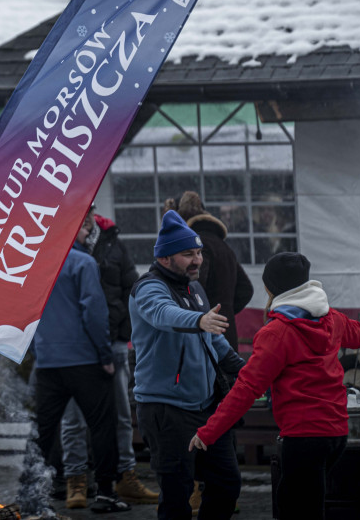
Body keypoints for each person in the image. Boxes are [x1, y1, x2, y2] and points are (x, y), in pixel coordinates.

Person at [190, 252, 360, 520]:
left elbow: (246, 389)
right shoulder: (331, 318)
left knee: (297, 511)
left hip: (304, 437)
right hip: (337, 433)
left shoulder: (276, 332)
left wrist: (208, 432)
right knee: (307, 504)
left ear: (270, 288)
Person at [129, 209, 246, 520]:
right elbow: (164, 314)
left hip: (206, 406)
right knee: (177, 494)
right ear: (165, 258)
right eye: (187, 254)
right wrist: (199, 320)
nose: (197, 260)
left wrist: (241, 367)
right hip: (166, 409)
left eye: (198, 253)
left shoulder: (195, 288)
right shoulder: (147, 288)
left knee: (226, 483)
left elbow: (214, 337)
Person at [25, 213, 129, 514]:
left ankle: (30, 494)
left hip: (48, 363)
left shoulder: (37, 267)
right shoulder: (84, 263)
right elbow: (94, 313)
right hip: (85, 360)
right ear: (72, 232)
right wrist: (105, 356)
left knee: (41, 432)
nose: (87, 232)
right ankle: (107, 493)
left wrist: (38, 349)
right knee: (102, 426)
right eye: (83, 227)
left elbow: (27, 315)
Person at [59, 206, 159, 505]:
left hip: (113, 340)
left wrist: (123, 331)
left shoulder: (114, 242)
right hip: (73, 346)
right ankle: (76, 480)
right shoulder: (60, 244)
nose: (85, 215)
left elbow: (132, 287)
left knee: (120, 415)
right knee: (74, 418)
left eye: (88, 209)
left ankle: (125, 476)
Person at [176, 191, 254, 350]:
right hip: (226, 331)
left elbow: (197, 287)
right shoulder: (224, 247)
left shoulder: (196, 246)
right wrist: (225, 310)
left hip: (206, 335)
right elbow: (246, 289)